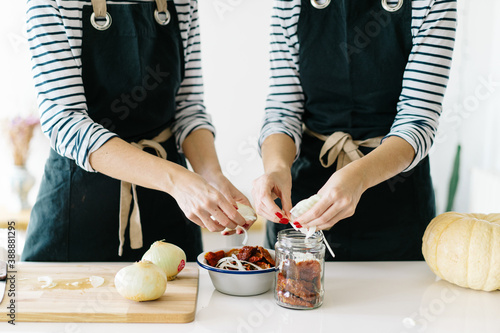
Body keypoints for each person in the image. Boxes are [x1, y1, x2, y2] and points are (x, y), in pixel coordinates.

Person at [22, 0, 253, 262]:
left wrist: (211, 175)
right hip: (79, 205)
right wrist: (177, 181)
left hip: (169, 207)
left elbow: (188, 108)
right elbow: (65, 122)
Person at [252, 0, 457, 260]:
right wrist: (277, 168)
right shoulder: (291, 4)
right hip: (305, 197)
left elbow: (417, 120)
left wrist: (358, 177)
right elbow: (282, 110)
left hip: (396, 199)